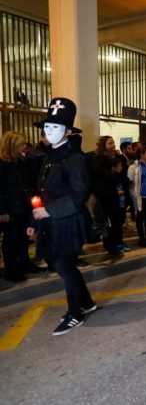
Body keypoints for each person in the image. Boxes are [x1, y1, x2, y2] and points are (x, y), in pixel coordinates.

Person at [28, 98, 98, 336]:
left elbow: (80, 194)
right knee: (64, 265)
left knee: (64, 265)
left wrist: (49, 211)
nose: (49, 131)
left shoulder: (74, 158)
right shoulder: (51, 155)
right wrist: (34, 221)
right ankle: (86, 303)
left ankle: (75, 313)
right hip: (52, 220)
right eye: (47, 127)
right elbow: (43, 191)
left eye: (55, 128)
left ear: (68, 131)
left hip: (68, 221)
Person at [0, 131, 46, 281]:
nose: (25, 146)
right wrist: (3, 210)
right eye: (21, 143)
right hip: (10, 208)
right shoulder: (2, 164)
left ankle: (25, 264)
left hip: (23, 206)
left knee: (23, 238)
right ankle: (11, 270)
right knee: (11, 240)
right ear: (12, 145)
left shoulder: (21, 162)